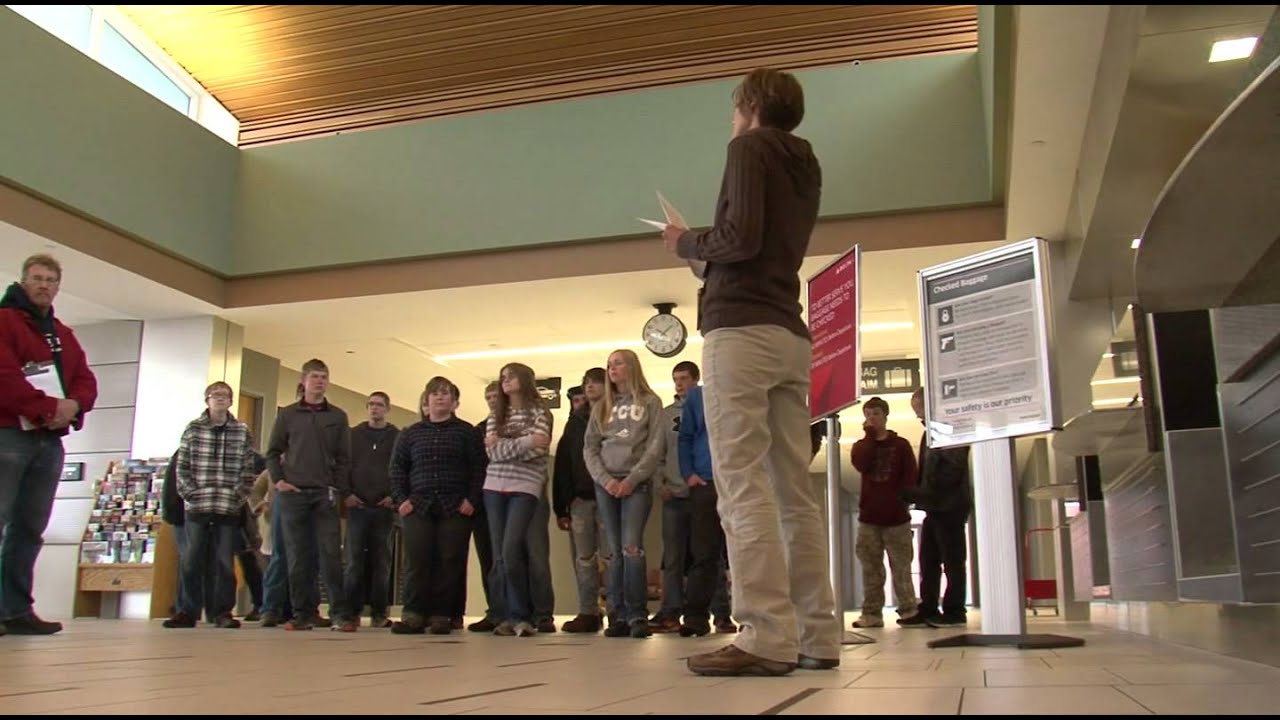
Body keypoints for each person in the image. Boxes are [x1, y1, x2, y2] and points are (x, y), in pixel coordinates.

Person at [662, 68, 839, 675]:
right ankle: (818, 635)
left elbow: (738, 238)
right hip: (788, 332)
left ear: (753, 105)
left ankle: (764, 636)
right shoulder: (804, 162)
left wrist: (686, 242)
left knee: (740, 486)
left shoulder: (748, 147)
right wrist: (708, 256)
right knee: (794, 493)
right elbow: (760, 243)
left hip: (739, 331)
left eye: (736, 108)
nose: (732, 120)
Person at [0, 254, 98, 636]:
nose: (43, 285)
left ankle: (15, 610)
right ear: (23, 281)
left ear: (58, 287)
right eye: (37, 278)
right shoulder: (5, 322)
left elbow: (85, 379)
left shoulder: (62, 334)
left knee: (30, 527)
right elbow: (5, 378)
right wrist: (47, 408)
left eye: (50, 280)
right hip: (10, 434)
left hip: (48, 441)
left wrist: (73, 406)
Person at [390, 378, 486, 635]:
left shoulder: (467, 432)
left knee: (449, 560)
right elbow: (397, 469)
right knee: (417, 559)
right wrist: (401, 500)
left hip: (455, 506)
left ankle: (442, 615)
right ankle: (413, 615)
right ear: (427, 400)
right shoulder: (410, 434)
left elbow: (479, 468)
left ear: (454, 402)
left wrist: (471, 499)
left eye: (445, 394)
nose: (440, 397)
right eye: (435, 393)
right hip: (418, 505)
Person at [265, 359, 353, 632]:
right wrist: (279, 481)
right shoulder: (288, 415)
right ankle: (302, 614)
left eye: (324, 377)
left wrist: (336, 487)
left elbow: (344, 457)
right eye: (314, 376)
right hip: (294, 493)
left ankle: (340, 615)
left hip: (324, 494)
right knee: (297, 556)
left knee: (330, 555)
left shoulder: (337, 417)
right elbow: (272, 452)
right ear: (303, 381)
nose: (319, 381)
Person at [584, 349, 666, 640]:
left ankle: (637, 615)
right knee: (613, 551)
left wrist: (632, 479)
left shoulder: (650, 402)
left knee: (632, 547)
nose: (612, 369)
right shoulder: (601, 406)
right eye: (609, 365)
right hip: (606, 483)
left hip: (636, 483)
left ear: (632, 366)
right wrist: (605, 480)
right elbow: (590, 448)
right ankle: (616, 614)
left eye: (618, 363)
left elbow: (655, 445)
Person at [163, 382, 257, 629]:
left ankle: (222, 612)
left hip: (227, 507)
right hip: (197, 506)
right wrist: (190, 494)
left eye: (225, 396)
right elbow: (182, 467)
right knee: (191, 560)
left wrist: (238, 497)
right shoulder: (193, 429)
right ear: (207, 400)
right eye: (216, 395)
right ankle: (187, 611)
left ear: (231, 401)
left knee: (224, 562)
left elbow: (248, 469)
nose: (220, 399)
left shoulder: (241, 431)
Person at [483, 363, 553, 637]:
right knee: (500, 556)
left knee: (512, 550)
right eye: (502, 377)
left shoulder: (540, 411)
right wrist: (527, 441)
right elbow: (494, 454)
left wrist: (504, 443)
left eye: (510, 376)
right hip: (494, 486)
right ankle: (506, 616)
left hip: (525, 486)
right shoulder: (496, 414)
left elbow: (540, 450)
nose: (505, 381)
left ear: (524, 379)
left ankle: (523, 616)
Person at [900, 387, 971, 628]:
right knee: (928, 560)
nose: (917, 415)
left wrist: (923, 493)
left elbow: (953, 469)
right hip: (935, 507)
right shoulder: (929, 433)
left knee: (952, 561)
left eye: (918, 408)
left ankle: (955, 611)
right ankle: (928, 608)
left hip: (950, 506)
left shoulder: (949, 430)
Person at [850, 396, 920, 629]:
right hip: (868, 518)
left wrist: (903, 501)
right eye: (868, 414)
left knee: (901, 566)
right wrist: (870, 436)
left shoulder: (901, 445)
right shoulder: (861, 446)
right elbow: (861, 464)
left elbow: (910, 476)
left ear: (886, 416)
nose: (872, 418)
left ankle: (909, 609)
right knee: (870, 568)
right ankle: (871, 613)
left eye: (876, 414)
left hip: (897, 518)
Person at [553, 375, 607, 633]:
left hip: (609, 494)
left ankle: (618, 610)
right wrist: (561, 506)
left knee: (612, 556)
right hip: (580, 498)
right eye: (587, 384)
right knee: (583, 558)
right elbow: (563, 464)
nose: (589, 388)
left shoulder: (613, 417)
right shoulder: (574, 424)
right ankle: (588, 611)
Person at [343, 392, 400, 629]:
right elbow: (342, 465)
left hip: (384, 508)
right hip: (357, 506)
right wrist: (346, 494)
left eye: (379, 405)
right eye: (371, 404)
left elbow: (401, 468)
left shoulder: (396, 437)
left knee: (382, 562)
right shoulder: (353, 435)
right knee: (353, 561)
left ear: (387, 409)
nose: (374, 408)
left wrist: (394, 496)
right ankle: (350, 613)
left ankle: (379, 613)